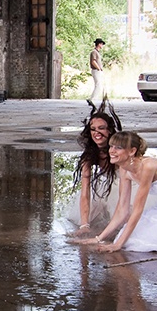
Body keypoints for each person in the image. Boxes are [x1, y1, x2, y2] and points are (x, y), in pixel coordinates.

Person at [66, 99, 122, 235]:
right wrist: (84, 225)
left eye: (101, 128)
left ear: (109, 130)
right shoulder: (90, 155)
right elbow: (85, 190)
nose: (97, 133)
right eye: (93, 129)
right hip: (112, 184)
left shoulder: (120, 148)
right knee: (96, 199)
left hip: (129, 184)